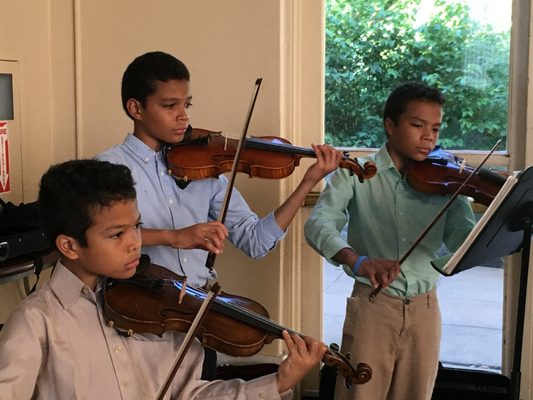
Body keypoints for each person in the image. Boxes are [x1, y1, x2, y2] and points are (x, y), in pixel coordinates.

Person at [0, 159, 327, 400]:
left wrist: (277, 382)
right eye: (116, 235)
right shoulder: (36, 322)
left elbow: (192, 395)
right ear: (69, 246)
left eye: (137, 227)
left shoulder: (155, 309)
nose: (135, 242)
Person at [96, 50, 342, 289]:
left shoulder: (204, 167)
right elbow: (101, 239)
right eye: (170, 106)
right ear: (136, 109)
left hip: (196, 304)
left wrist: (308, 182)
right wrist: (174, 236)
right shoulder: (108, 167)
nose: (184, 117)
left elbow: (256, 241)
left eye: (187, 105)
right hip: (134, 307)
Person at [304, 82, 476, 400]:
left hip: (426, 309)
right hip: (373, 305)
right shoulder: (355, 173)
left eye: (436, 128)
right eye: (417, 125)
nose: (429, 137)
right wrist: (358, 260)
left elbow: (460, 236)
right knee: (359, 395)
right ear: (390, 125)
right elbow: (318, 224)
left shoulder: (446, 179)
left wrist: (490, 216)